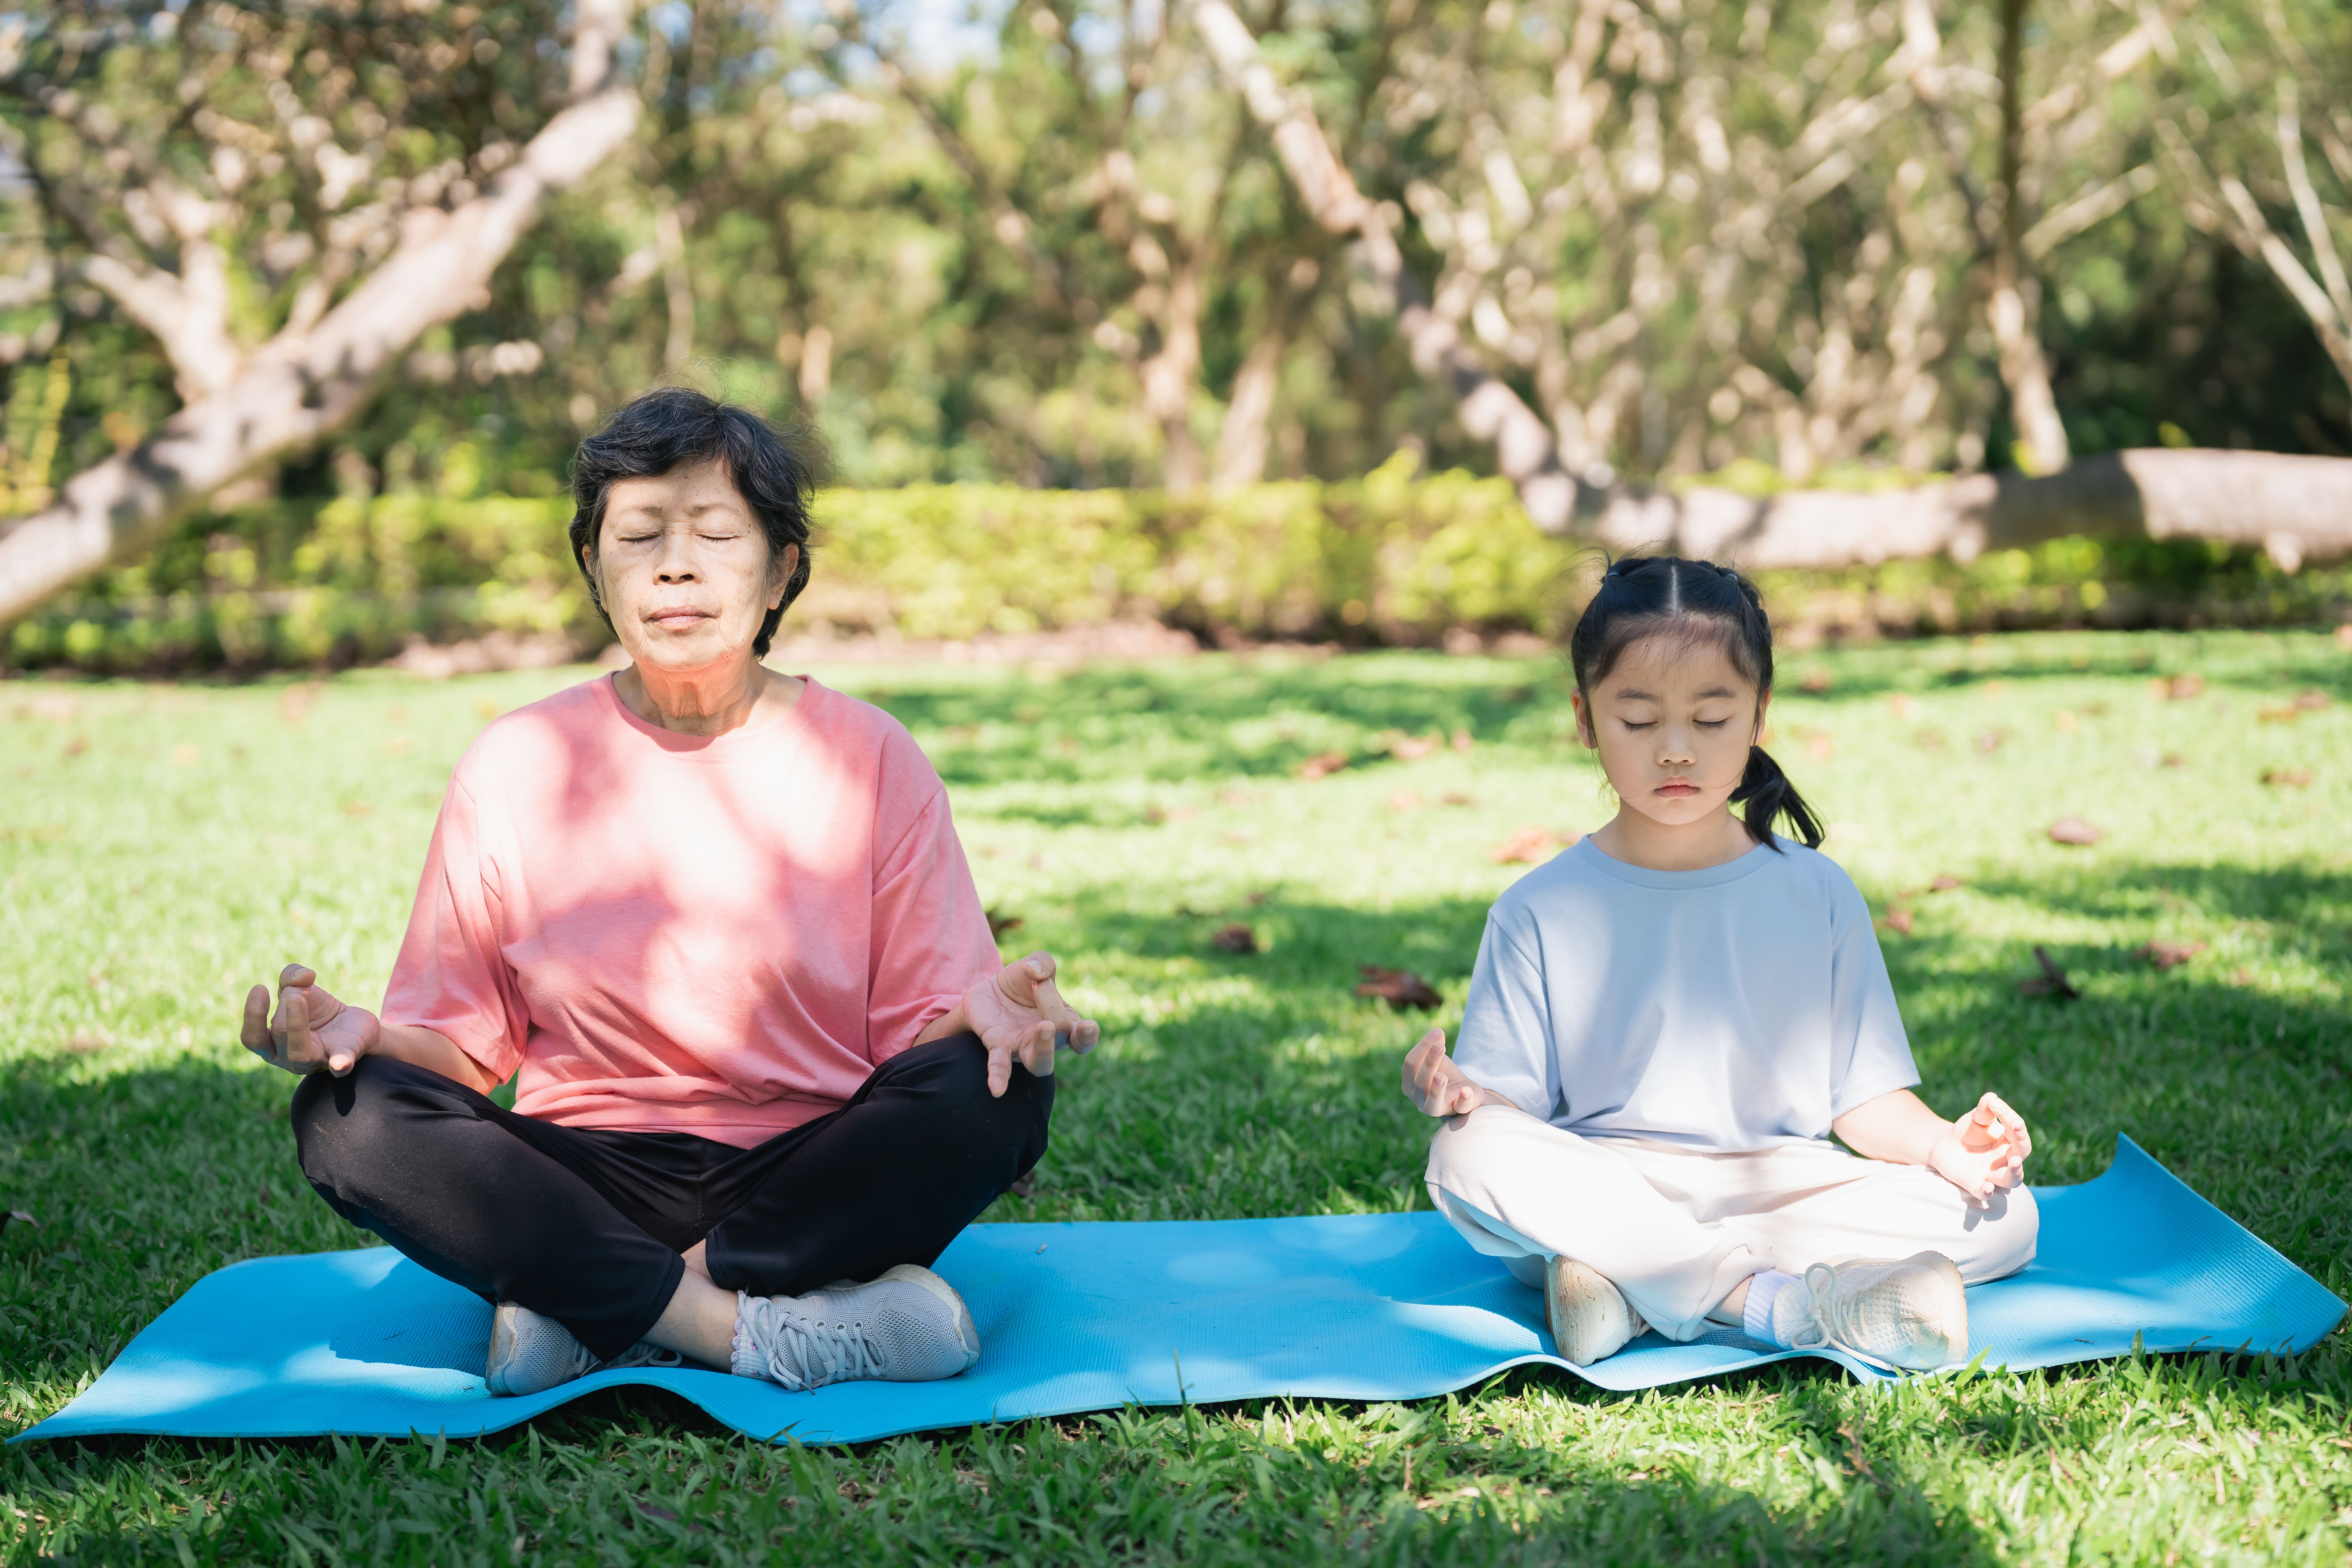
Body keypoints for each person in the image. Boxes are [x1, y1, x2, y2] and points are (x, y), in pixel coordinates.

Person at [242, 388, 1099, 1397]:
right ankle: (756, 1331)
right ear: (595, 569)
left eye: (717, 536)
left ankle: (600, 1316)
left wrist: (985, 1015)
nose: (675, 566)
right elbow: (463, 1052)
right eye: (639, 535)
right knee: (346, 1113)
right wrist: (365, 1041)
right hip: (580, 1180)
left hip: (810, 1174)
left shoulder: (872, 757)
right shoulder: (515, 762)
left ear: (781, 571)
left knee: (998, 1086)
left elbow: (920, 1041)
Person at [1401, 556, 2036, 1372]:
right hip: (1610, 1188)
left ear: (1759, 715)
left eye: (1710, 720)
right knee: (1467, 1152)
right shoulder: (1538, 909)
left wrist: (1948, 1146)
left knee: (2009, 1217)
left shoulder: (1817, 891)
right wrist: (1464, 1096)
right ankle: (1783, 1307)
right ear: (1586, 720)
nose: (1676, 751)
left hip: (1781, 1196)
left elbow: (1863, 1100)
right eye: (1639, 721)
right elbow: (1511, 1113)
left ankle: (1631, 1290)